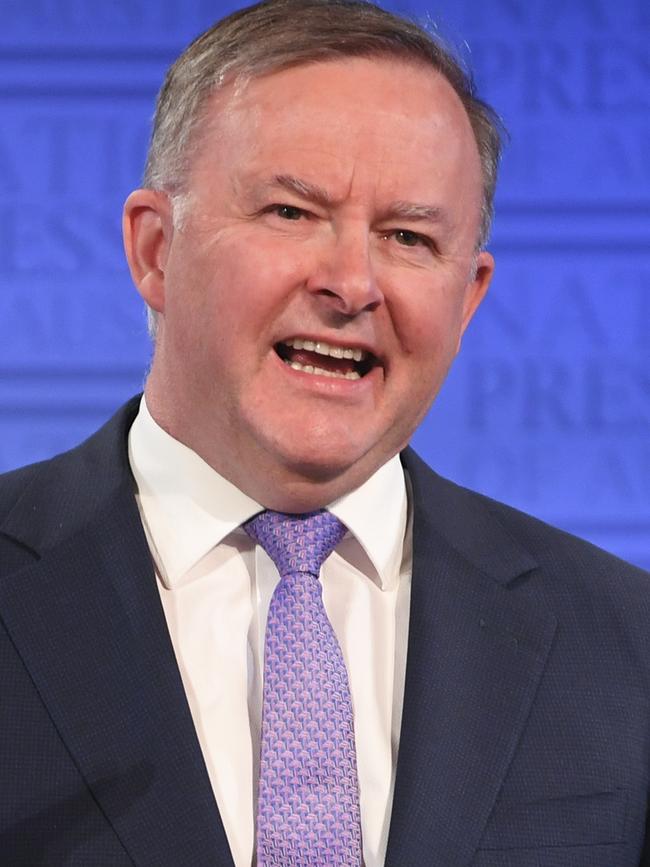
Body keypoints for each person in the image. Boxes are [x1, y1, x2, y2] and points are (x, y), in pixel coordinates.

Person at [0, 0, 648, 864]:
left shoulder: (626, 644)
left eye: (409, 236)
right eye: (291, 213)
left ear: (469, 298)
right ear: (156, 250)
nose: (352, 283)